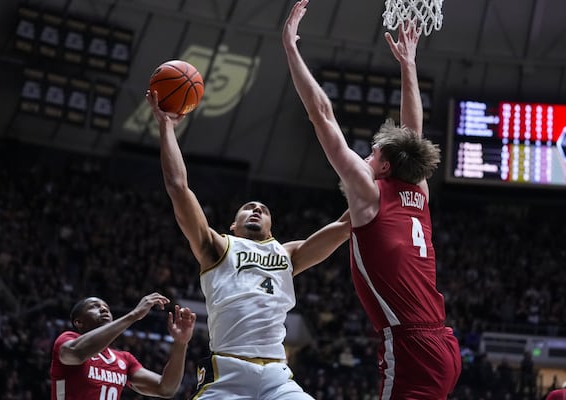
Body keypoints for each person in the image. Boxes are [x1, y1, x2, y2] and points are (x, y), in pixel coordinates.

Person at [283, 1, 461, 399]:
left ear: (382, 169)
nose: (365, 156)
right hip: (441, 341)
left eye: (371, 153)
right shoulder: (418, 190)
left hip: (411, 345)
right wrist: (408, 64)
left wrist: (291, 49)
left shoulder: (369, 195)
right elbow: (413, 132)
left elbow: (322, 115)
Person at [145, 90, 350, 399]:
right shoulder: (217, 246)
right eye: (249, 207)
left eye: (263, 210)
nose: (256, 210)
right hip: (227, 371)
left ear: (271, 228)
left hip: (278, 376)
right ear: (232, 224)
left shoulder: (288, 252)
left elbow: (346, 225)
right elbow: (178, 187)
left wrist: (378, 180)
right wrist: (166, 126)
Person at [50, 292, 196, 399]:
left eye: (105, 306)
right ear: (79, 322)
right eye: (94, 306)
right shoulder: (67, 340)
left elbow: (165, 388)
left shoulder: (123, 359)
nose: (103, 309)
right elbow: (77, 354)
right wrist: (134, 315)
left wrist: (181, 343)